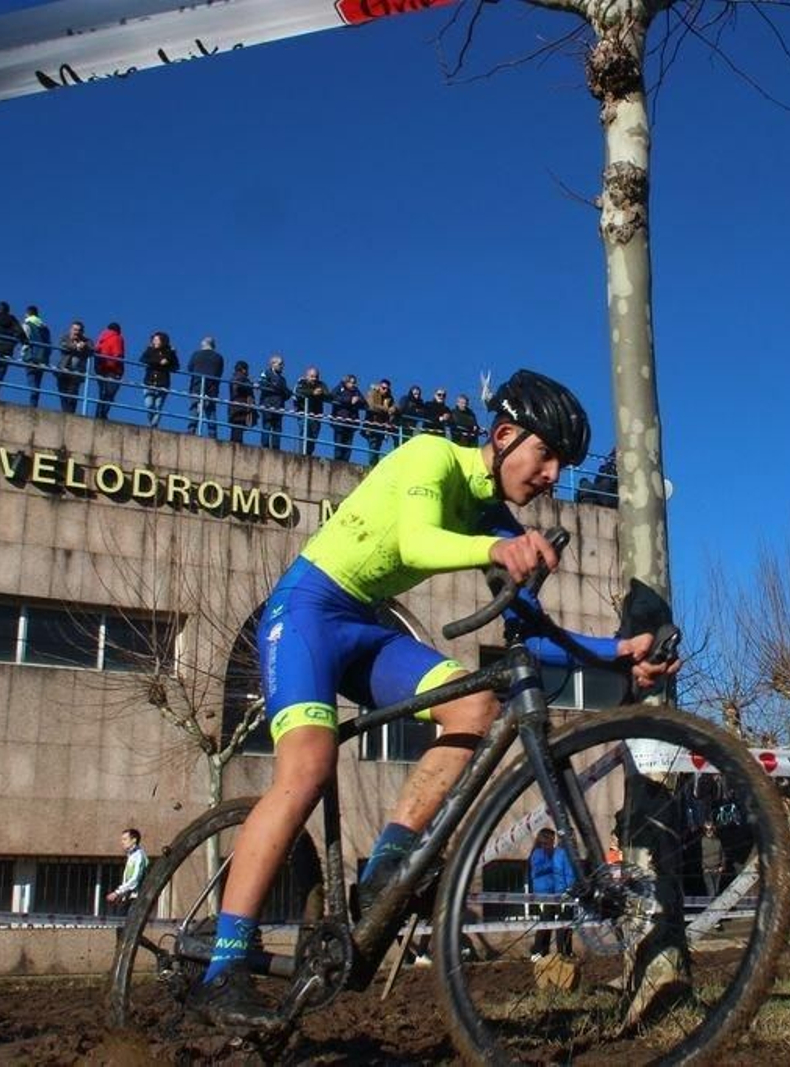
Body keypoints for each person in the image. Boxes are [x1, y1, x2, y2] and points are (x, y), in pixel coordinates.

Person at [191, 369, 679, 1026]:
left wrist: (619, 654)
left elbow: (533, 632)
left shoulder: (489, 518)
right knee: (307, 768)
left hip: (365, 627)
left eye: (562, 464)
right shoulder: (432, 458)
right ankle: (224, 966)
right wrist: (499, 548)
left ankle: (387, 868)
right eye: (545, 455)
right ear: (503, 436)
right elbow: (415, 540)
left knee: (473, 704)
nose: (552, 476)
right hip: (307, 613)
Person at [528, 827, 576, 961]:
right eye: (552, 839)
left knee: (553, 922)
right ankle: (538, 951)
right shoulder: (538, 853)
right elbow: (538, 870)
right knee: (545, 921)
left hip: (553, 891)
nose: (554, 842)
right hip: (543, 893)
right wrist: (551, 864)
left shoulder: (555, 852)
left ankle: (548, 951)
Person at [106, 828, 150, 915]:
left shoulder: (139, 856)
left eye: (125, 839)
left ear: (134, 840)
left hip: (136, 899)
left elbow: (135, 880)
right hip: (128, 898)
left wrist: (117, 893)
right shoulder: (131, 855)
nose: (122, 842)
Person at [141, 330, 179, 429]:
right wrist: (158, 362)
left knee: (158, 406)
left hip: (163, 383)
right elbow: (143, 360)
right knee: (149, 405)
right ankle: (151, 423)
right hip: (149, 382)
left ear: (163, 341)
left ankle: (153, 426)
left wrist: (168, 362)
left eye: (157, 340)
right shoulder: (150, 350)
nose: (154, 342)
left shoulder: (170, 353)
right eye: (154, 340)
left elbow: (176, 367)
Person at [188, 336, 224, 437]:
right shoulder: (218, 357)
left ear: (204, 343)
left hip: (197, 385)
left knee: (194, 408)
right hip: (212, 388)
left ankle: (191, 430)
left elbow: (190, 368)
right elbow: (219, 373)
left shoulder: (196, 355)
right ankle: (213, 434)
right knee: (210, 411)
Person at [57, 320, 94, 414]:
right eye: (75, 329)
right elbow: (62, 345)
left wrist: (84, 346)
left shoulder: (87, 341)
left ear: (82, 332)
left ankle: (70, 414)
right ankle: (65, 413)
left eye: (79, 330)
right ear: (71, 330)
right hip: (63, 370)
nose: (76, 332)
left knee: (72, 395)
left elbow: (92, 350)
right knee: (62, 394)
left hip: (76, 374)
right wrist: (76, 346)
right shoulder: (65, 338)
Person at [20, 305, 53, 408]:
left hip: (31, 355)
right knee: (38, 382)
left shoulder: (27, 324)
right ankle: (34, 403)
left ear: (27, 314)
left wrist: (23, 353)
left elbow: (24, 339)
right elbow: (49, 344)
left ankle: (33, 404)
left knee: (32, 379)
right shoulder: (45, 327)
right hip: (43, 357)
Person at [257, 354, 292, 450]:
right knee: (267, 426)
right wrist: (276, 388)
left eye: (282, 364)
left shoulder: (283, 379)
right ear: (273, 364)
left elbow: (287, 393)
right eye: (280, 364)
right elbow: (262, 383)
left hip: (279, 407)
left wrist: (283, 392)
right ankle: (265, 447)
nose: (282, 366)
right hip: (267, 405)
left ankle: (276, 448)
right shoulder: (266, 373)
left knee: (277, 428)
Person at [293, 366, 330, 456]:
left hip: (316, 416)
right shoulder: (301, 383)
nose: (314, 378)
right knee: (305, 434)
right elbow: (298, 392)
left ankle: (309, 455)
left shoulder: (321, 384)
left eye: (316, 376)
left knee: (313, 437)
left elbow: (328, 395)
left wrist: (321, 393)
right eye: (312, 376)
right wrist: (312, 392)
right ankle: (302, 455)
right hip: (304, 414)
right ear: (307, 376)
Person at [329, 373, 365, 463]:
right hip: (339, 421)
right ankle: (337, 462)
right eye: (351, 382)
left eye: (354, 382)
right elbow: (332, 396)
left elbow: (365, 403)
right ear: (346, 382)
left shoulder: (356, 391)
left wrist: (358, 400)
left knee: (348, 446)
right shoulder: (339, 388)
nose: (353, 384)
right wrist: (349, 400)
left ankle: (345, 462)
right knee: (339, 444)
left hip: (351, 423)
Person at [94, 322, 125, 419]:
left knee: (102, 393)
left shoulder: (102, 338)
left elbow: (96, 351)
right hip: (112, 369)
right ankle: (103, 414)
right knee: (110, 394)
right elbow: (118, 353)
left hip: (100, 368)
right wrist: (120, 370)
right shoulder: (118, 338)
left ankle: (98, 414)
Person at [362, 378, 397, 464]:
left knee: (377, 447)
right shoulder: (372, 393)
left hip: (382, 426)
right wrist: (385, 409)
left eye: (387, 389)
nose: (385, 390)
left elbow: (393, 408)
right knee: (373, 445)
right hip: (371, 424)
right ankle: (372, 465)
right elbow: (371, 406)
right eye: (383, 388)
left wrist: (393, 409)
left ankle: (374, 465)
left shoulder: (389, 398)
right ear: (380, 386)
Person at [227, 360, 256, 445]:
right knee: (238, 429)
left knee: (236, 429)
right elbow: (240, 387)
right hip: (240, 407)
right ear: (243, 369)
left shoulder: (234, 377)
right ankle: (236, 445)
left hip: (235, 407)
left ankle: (235, 444)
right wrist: (251, 385)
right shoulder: (240, 377)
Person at [700, 821, 725, 899]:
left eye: (710, 829)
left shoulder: (718, 841)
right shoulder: (702, 840)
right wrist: (704, 867)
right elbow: (699, 855)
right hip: (707, 869)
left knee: (716, 891)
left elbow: (722, 854)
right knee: (712, 892)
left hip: (717, 869)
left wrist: (722, 866)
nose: (709, 831)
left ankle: (715, 905)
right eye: (706, 829)